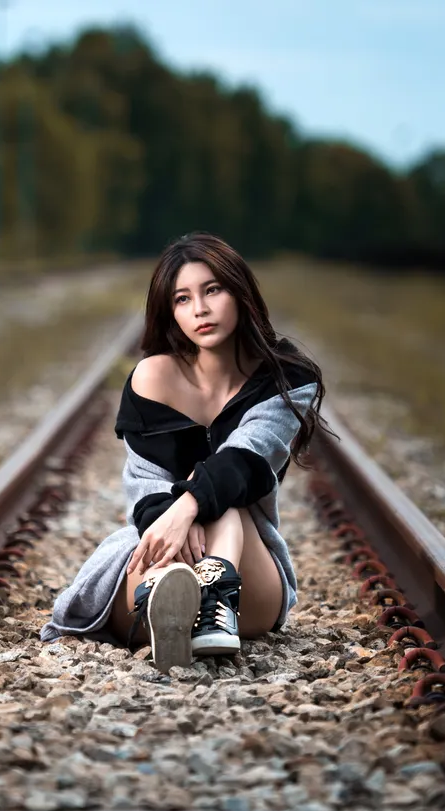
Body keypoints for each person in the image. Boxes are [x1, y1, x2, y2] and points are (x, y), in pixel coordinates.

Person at [40, 232, 328, 672]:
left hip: (251, 583)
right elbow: (145, 485)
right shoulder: (153, 378)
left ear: (241, 292)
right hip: (166, 553)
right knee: (173, 554)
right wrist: (177, 517)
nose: (200, 310)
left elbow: (246, 457)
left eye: (213, 290)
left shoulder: (287, 379)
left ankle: (210, 600)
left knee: (230, 503)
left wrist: (189, 506)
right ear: (170, 312)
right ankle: (178, 607)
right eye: (182, 298)